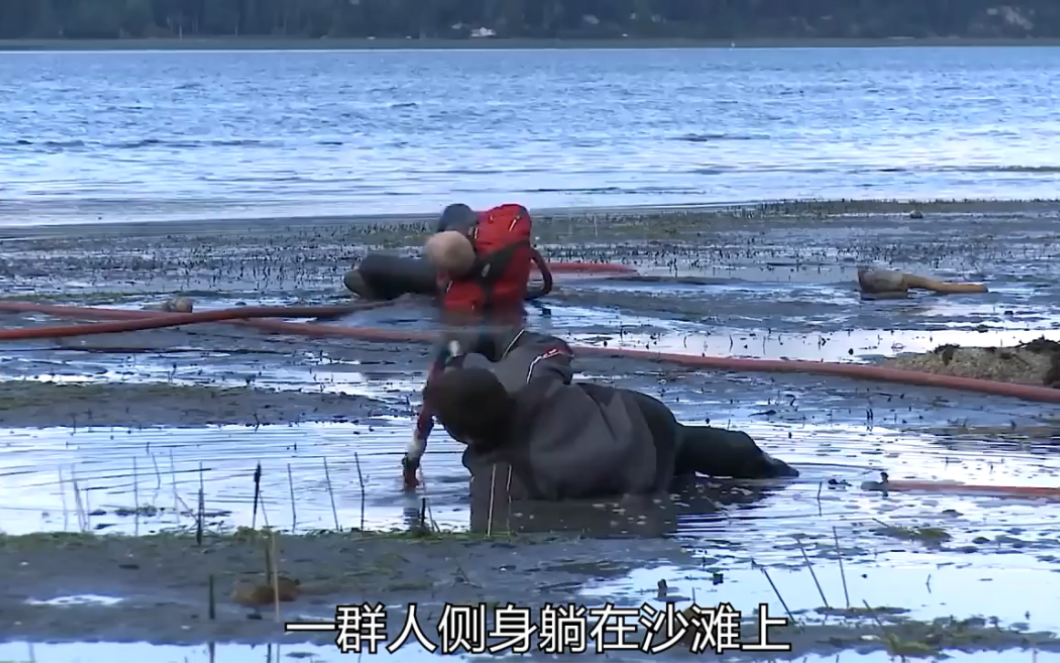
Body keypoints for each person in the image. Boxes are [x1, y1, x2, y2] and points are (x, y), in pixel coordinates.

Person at [416, 328, 799, 501]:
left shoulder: (498, 477)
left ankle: (706, 474)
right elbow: (549, 347)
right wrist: (480, 344)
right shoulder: (533, 381)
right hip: (641, 424)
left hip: (633, 479)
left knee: (682, 466)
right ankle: (772, 470)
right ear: (500, 386)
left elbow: (492, 510)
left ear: (461, 436)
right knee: (689, 443)